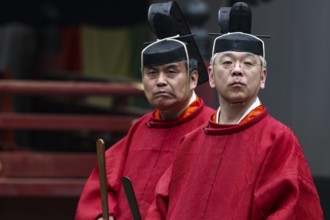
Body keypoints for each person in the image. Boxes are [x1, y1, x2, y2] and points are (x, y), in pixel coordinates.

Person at [146, 32, 324, 219]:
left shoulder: (278, 139)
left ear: (263, 77)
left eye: (248, 63)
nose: (237, 70)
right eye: (227, 63)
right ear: (212, 76)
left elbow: (289, 210)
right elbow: (160, 207)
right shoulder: (191, 142)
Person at [74, 33, 215, 219]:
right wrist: (101, 215)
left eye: (171, 72)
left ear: (193, 78)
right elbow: (105, 182)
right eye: (152, 73)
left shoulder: (213, 127)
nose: (160, 81)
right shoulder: (141, 127)